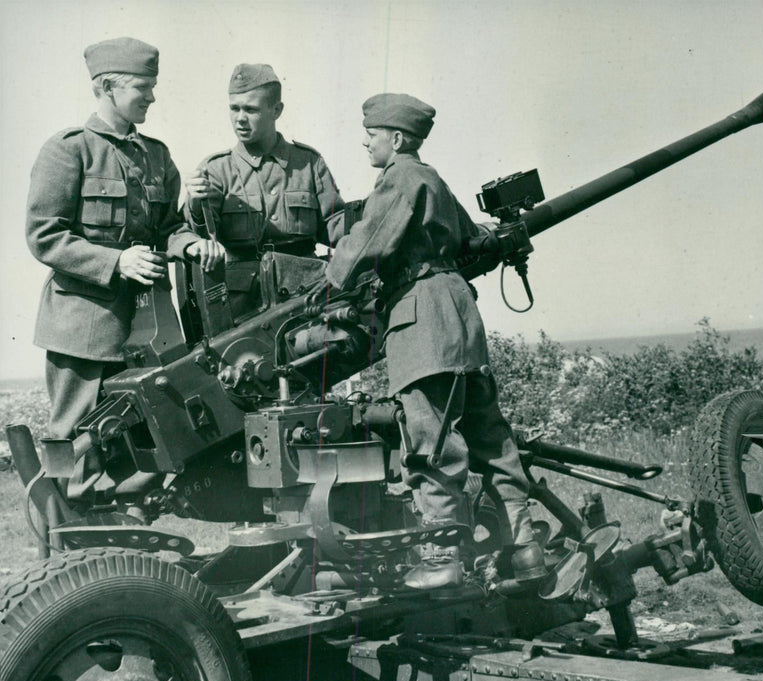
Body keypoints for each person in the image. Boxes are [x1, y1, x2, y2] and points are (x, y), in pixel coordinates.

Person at [322, 93, 553, 592]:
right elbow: (472, 242)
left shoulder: (401, 178)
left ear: (397, 139)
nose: (366, 141)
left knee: (430, 440)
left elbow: (363, 248)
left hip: (421, 319)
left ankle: (442, 555)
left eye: (373, 133)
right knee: (491, 437)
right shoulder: (435, 180)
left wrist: (330, 276)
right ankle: (526, 546)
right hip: (458, 313)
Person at [26, 37, 220, 450]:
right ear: (107, 87)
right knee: (77, 441)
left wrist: (188, 244)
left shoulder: (156, 155)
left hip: (149, 329)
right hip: (84, 327)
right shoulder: (69, 151)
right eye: (142, 87)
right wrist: (117, 262)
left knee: (141, 443)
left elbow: (167, 225)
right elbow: (45, 235)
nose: (152, 96)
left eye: (153, 86)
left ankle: (123, 515)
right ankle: (60, 513)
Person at [183, 63, 356, 319]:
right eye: (234, 108)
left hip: (306, 293)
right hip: (242, 305)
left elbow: (334, 227)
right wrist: (196, 205)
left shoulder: (308, 163)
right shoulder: (216, 170)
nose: (240, 118)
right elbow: (198, 238)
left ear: (276, 110)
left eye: (250, 109)